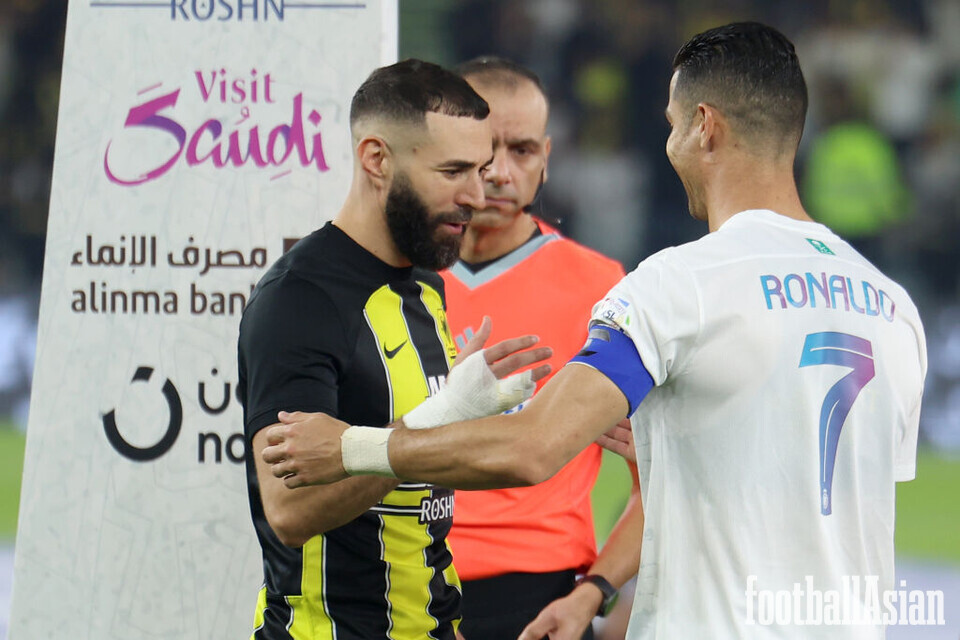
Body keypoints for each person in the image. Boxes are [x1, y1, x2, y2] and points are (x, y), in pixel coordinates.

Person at [263, 23, 927, 639]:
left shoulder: (681, 284)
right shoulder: (896, 309)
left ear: (703, 128)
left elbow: (533, 447)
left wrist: (350, 449)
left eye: (670, 127)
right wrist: (607, 579)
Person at [237, 59, 553, 640]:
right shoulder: (300, 300)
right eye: (453, 170)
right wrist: (441, 415)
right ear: (376, 159)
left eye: (480, 170)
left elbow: (422, 496)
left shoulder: (424, 283)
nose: (477, 195)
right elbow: (289, 512)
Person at [441, 57, 642, 640]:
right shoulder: (390, 278)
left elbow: (657, 483)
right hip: (396, 585)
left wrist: (594, 594)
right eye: (485, 149)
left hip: (538, 596)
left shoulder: (604, 290)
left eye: (523, 151)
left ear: (547, 159)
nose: (500, 172)